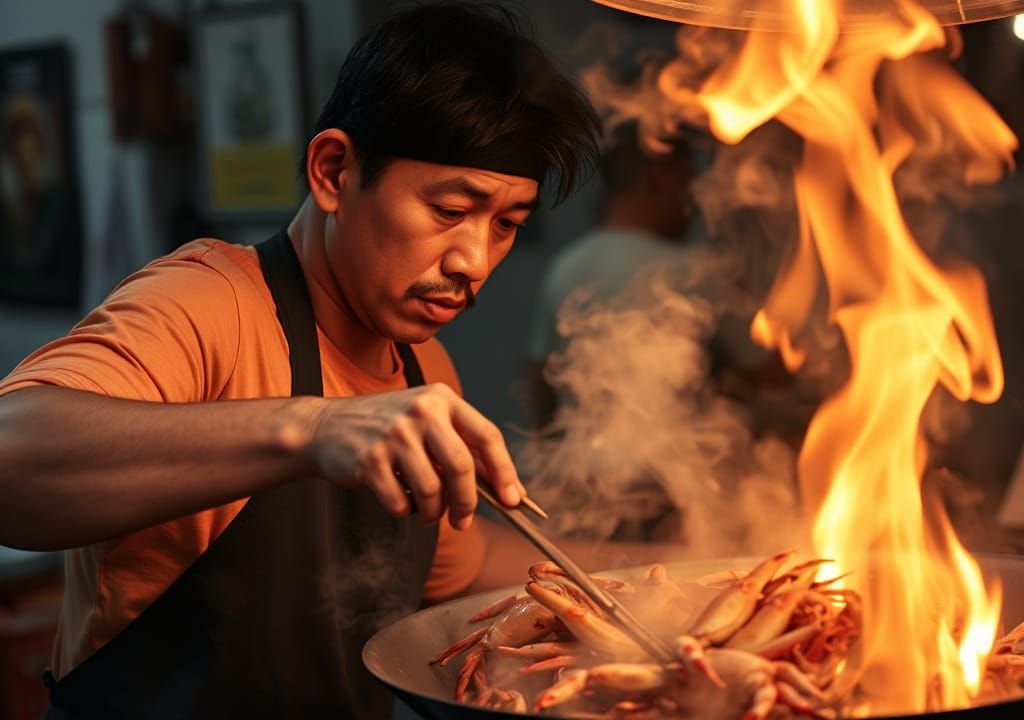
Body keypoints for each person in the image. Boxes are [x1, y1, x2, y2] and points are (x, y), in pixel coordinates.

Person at [0, 4, 612, 717]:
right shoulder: (210, 302)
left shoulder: (425, 369)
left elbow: (462, 565)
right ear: (333, 171)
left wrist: (675, 563)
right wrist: (312, 429)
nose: (473, 261)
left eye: (506, 224)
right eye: (448, 210)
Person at [526, 123, 697, 428]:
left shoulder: (567, 264)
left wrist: (549, 453)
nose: (693, 203)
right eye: (687, 183)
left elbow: (540, 377)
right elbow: (771, 372)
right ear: (658, 181)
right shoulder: (690, 270)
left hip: (580, 465)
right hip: (672, 470)